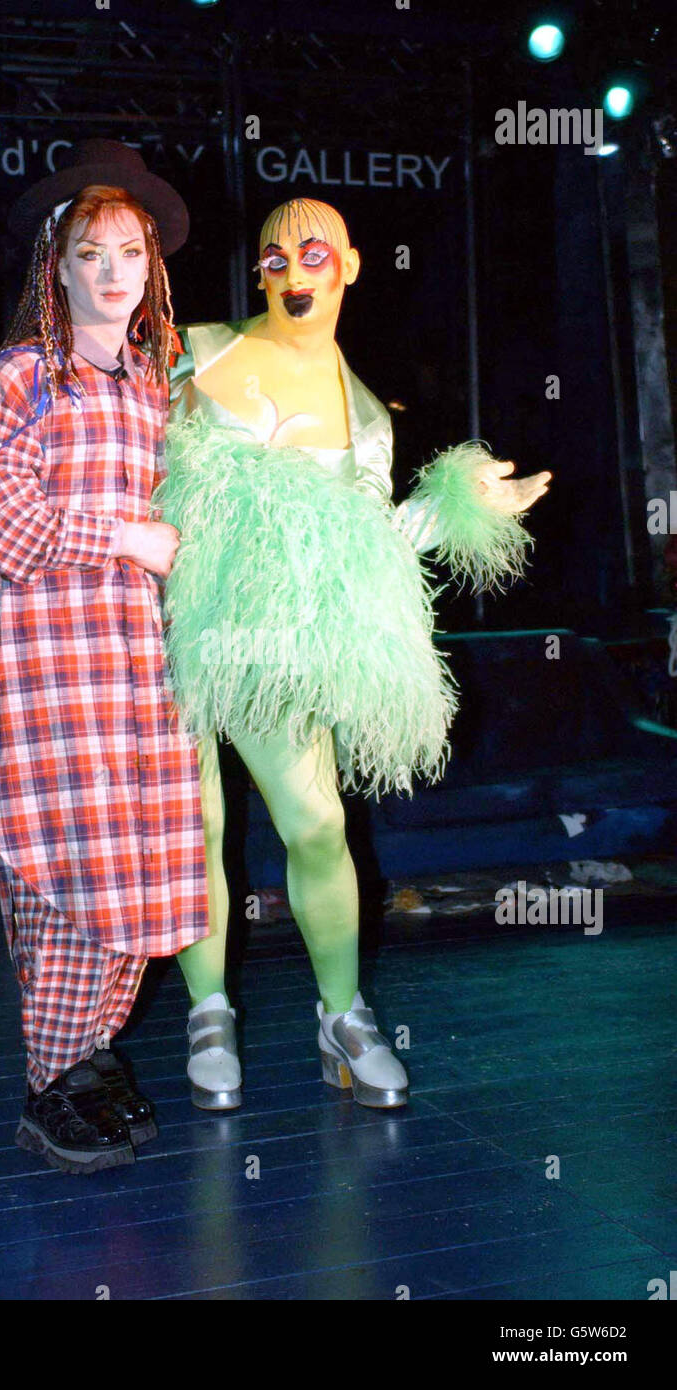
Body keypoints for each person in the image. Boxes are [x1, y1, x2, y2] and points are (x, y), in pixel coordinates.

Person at [153, 197, 552, 1112]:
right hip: (163, 628)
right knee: (194, 829)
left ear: (351, 266)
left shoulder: (367, 419)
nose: (295, 274)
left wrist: (459, 503)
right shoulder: (195, 349)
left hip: (270, 650)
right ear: (258, 271)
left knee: (319, 825)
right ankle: (208, 1012)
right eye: (275, 258)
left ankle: (343, 1017)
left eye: (315, 254)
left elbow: (365, 541)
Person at [0, 140, 209, 1173]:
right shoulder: (18, 380)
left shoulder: (158, 386)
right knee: (60, 884)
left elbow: (202, 517)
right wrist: (124, 537)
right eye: (90, 252)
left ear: (151, 270)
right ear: (56, 264)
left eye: (129, 254)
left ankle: (87, 1059)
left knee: (135, 885)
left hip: (140, 674)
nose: (110, 272)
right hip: (50, 677)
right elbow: (1, 528)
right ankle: (48, 1083)